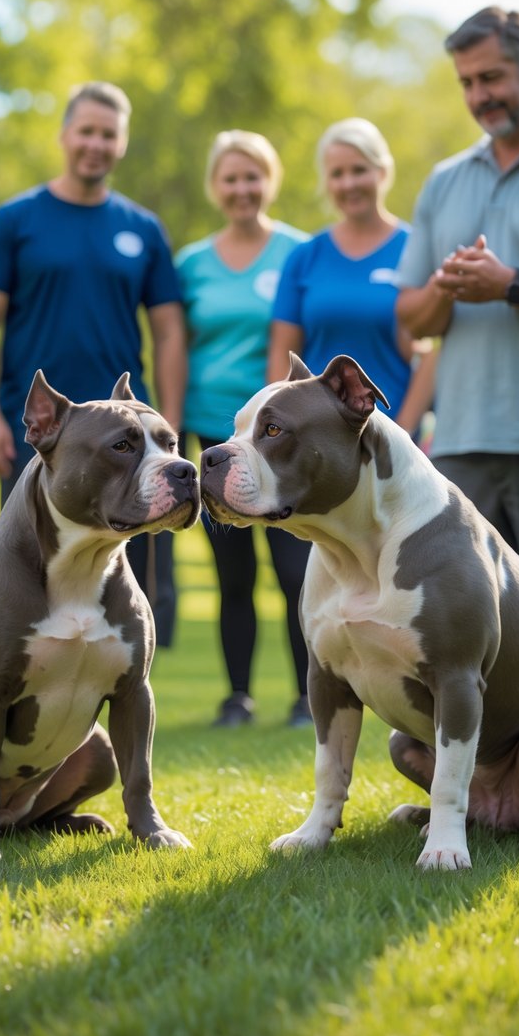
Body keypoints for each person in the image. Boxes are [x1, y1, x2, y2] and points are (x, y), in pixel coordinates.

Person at [0, 80, 185, 646]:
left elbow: (167, 332)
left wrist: (171, 426)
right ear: (66, 135)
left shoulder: (143, 230)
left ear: (122, 143)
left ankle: (117, 686)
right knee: (30, 565)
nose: (96, 143)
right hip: (45, 432)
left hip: (130, 442)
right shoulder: (16, 221)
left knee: (130, 577)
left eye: (108, 134)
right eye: (86, 130)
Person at [396, 6, 519, 650]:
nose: (480, 96)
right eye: (467, 83)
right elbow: (410, 317)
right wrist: (447, 289)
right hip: (460, 448)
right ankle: (477, 757)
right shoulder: (447, 179)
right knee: (459, 625)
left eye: (492, 77)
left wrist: (511, 284)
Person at [176, 129, 313, 727]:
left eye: (252, 177)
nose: (242, 188)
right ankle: (238, 697)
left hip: (280, 443)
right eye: (230, 178)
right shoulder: (192, 264)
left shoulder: (297, 252)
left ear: (269, 181)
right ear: (215, 186)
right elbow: (175, 348)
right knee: (233, 575)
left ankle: (310, 697)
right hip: (212, 435)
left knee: (294, 572)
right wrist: (173, 427)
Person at [269, 117, 435, 434]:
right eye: (337, 174)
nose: (349, 183)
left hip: (390, 436)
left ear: (382, 172)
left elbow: (430, 355)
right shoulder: (305, 257)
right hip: (314, 438)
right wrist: (286, 427)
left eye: (359, 170)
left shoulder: (415, 251)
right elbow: (282, 355)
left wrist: (404, 433)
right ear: (326, 182)